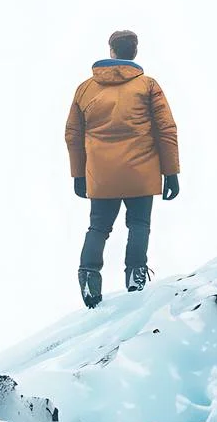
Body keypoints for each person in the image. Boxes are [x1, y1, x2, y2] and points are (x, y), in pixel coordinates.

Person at [63, 29, 180, 309]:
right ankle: (136, 275)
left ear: (111, 52)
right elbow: (166, 130)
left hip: (101, 176)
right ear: (134, 52)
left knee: (99, 227)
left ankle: (89, 273)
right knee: (139, 225)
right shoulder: (148, 85)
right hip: (142, 172)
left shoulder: (86, 88)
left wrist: (79, 174)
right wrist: (171, 172)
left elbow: (72, 134)